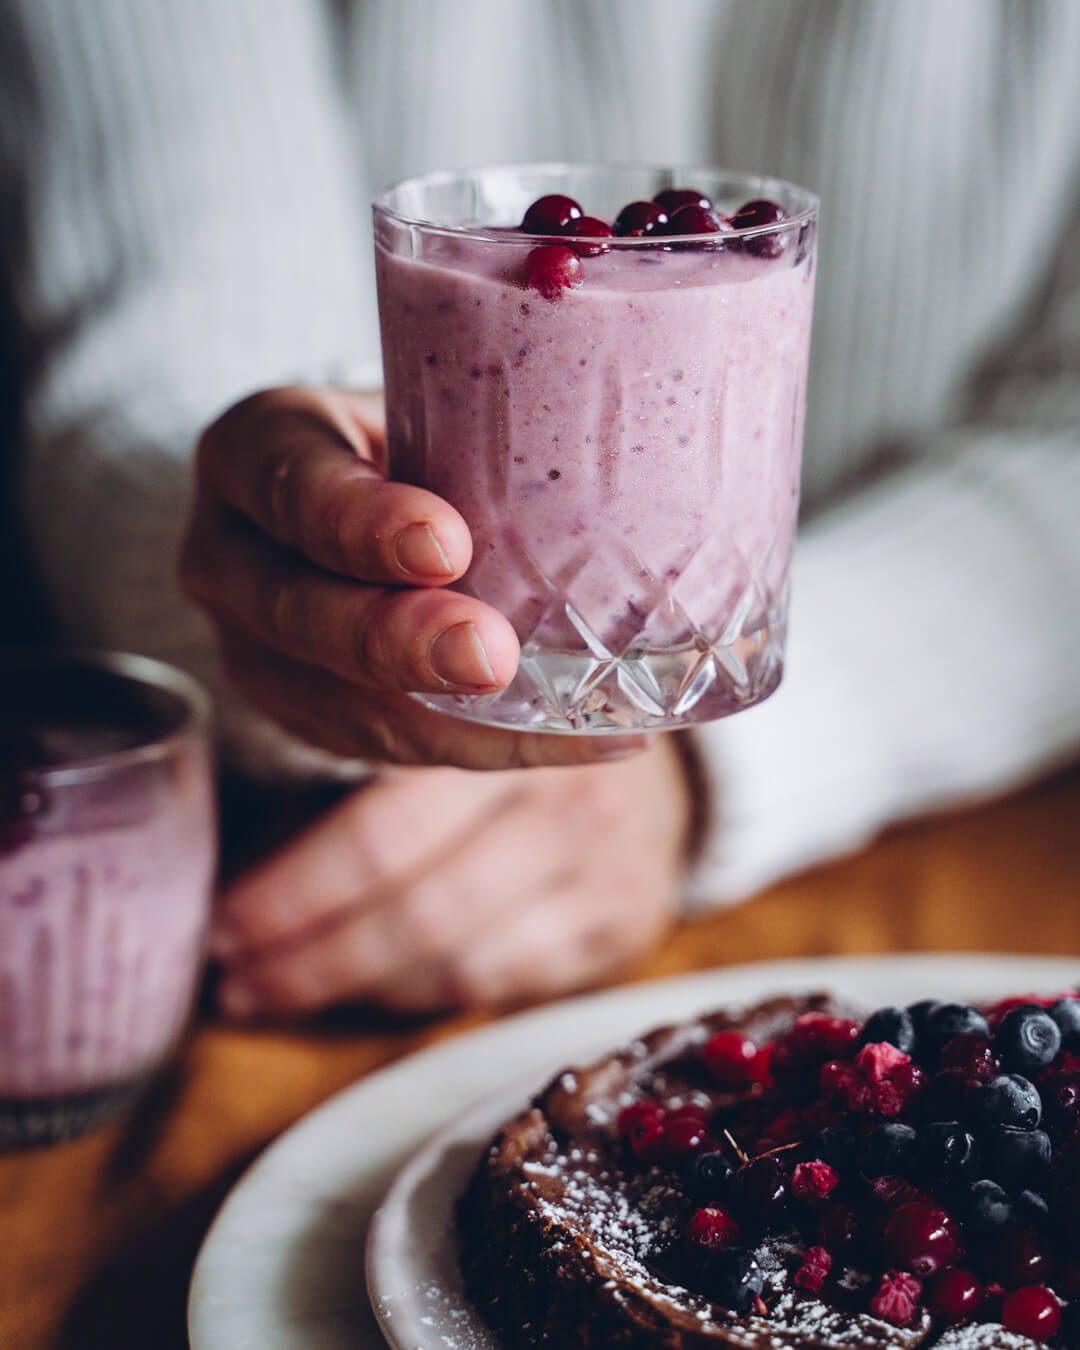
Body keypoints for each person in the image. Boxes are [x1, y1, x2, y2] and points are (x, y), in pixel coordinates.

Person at [4, 0, 1079, 1017]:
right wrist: (249, 531)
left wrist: (735, 756)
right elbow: (174, 264)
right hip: (264, 811)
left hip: (951, 845)